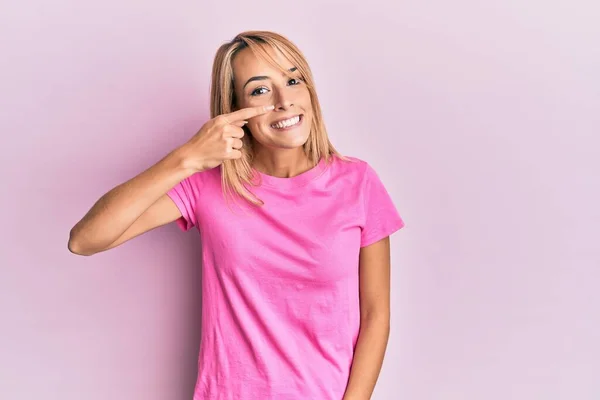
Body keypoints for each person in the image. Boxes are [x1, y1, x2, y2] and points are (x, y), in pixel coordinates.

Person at [68, 30, 405, 400]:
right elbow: (86, 240)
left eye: (293, 80)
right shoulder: (209, 185)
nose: (284, 101)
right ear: (233, 109)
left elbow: (376, 317)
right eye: (260, 90)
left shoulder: (357, 183)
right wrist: (187, 158)